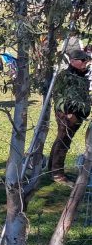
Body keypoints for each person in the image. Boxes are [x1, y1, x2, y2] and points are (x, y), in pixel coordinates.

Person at [49, 49, 92, 186]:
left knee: (62, 141)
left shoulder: (82, 76)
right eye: (83, 60)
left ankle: (52, 168)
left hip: (77, 116)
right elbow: (58, 95)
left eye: (86, 60)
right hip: (67, 116)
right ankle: (57, 174)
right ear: (73, 61)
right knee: (63, 142)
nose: (86, 63)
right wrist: (67, 113)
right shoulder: (65, 76)